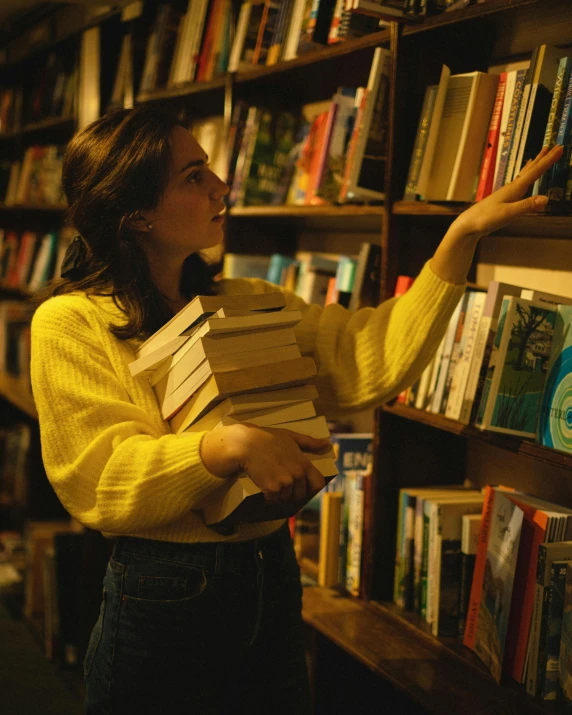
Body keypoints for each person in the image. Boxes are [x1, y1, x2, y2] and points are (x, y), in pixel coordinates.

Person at [30, 100, 562, 715]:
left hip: (270, 574)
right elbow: (99, 477)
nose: (221, 187)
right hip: (165, 590)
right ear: (137, 216)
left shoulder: (247, 300)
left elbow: (365, 360)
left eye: (210, 169)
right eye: (193, 177)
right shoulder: (70, 323)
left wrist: (459, 238)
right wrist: (229, 446)